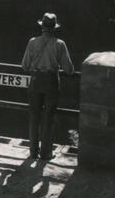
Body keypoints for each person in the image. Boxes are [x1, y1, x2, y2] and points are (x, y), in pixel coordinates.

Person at [21, 12, 75, 161]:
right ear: (54, 28)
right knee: (48, 118)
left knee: (34, 116)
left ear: (42, 27)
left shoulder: (32, 42)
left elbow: (24, 65)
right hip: (51, 81)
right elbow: (69, 69)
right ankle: (46, 154)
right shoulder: (60, 44)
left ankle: (33, 152)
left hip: (36, 80)